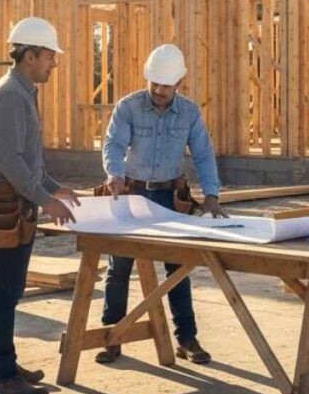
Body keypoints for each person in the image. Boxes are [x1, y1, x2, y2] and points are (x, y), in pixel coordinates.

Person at [97, 43, 226, 365]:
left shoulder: (190, 112)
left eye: (166, 86)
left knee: (177, 268)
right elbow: (113, 144)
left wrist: (211, 195)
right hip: (131, 193)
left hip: (170, 197)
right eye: (154, 83)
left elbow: (203, 154)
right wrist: (114, 174)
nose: (158, 91)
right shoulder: (129, 107)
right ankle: (112, 337)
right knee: (119, 267)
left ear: (178, 83)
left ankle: (187, 338)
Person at [0, 17, 80, 394]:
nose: (54, 63)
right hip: (6, 201)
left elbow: (27, 159)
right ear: (30, 56)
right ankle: (2, 375)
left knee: (9, 286)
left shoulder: (22, 92)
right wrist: (45, 199)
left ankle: (4, 365)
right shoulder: (10, 95)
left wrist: (53, 187)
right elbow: (9, 160)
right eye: (49, 56)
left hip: (16, 199)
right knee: (5, 288)